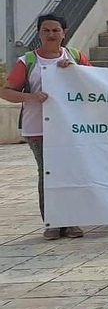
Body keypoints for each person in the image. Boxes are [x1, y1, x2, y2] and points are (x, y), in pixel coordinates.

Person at [2, 13, 91, 239]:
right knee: (48, 173)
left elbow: (94, 82)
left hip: (70, 127)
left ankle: (71, 221)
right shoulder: (28, 61)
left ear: (64, 33)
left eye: (55, 30)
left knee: (71, 172)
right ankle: (52, 222)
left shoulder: (75, 56)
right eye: (46, 30)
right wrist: (31, 97)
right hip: (38, 128)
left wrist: (75, 70)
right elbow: (6, 91)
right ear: (39, 34)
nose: (51, 34)